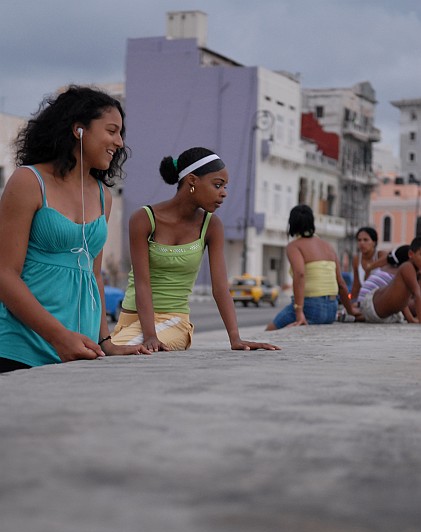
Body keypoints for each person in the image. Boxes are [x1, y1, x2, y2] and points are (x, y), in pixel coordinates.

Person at [0, 85, 150, 373]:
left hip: (79, 349)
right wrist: (58, 337)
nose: (119, 142)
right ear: (78, 130)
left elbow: (93, 275)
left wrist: (105, 341)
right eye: (111, 130)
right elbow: (5, 274)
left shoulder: (102, 196)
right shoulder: (28, 181)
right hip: (22, 346)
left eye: (121, 133)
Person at [111, 146, 280, 352]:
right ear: (192, 181)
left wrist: (235, 338)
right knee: (100, 352)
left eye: (225, 187)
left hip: (173, 321)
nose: (224, 193)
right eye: (218, 185)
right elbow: (142, 283)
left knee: (119, 350)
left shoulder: (211, 226)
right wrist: (150, 336)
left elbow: (220, 288)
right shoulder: (144, 219)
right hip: (130, 321)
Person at [266, 204, 358, 330]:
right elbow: (341, 283)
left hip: (310, 306)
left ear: (292, 223)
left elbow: (300, 274)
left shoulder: (294, 246)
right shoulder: (328, 246)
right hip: (332, 309)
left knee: (270, 330)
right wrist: (351, 311)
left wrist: (298, 312)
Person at [359, 236, 421, 324]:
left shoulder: (414, 272)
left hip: (386, 314)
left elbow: (403, 300)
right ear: (410, 254)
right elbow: (417, 294)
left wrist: (411, 319)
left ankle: (357, 315)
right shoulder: (407, 267)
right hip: (372, 306)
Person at [350, 226, 386, 300]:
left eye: (365, 240)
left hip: (381, 299)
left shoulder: (380, 255)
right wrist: (352, 304)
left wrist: (370, 267)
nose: (362, 243)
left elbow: (387, 259)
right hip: (365, 299)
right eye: (359, 240)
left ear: (374, 242)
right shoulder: (356, 259)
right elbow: (356, 285)